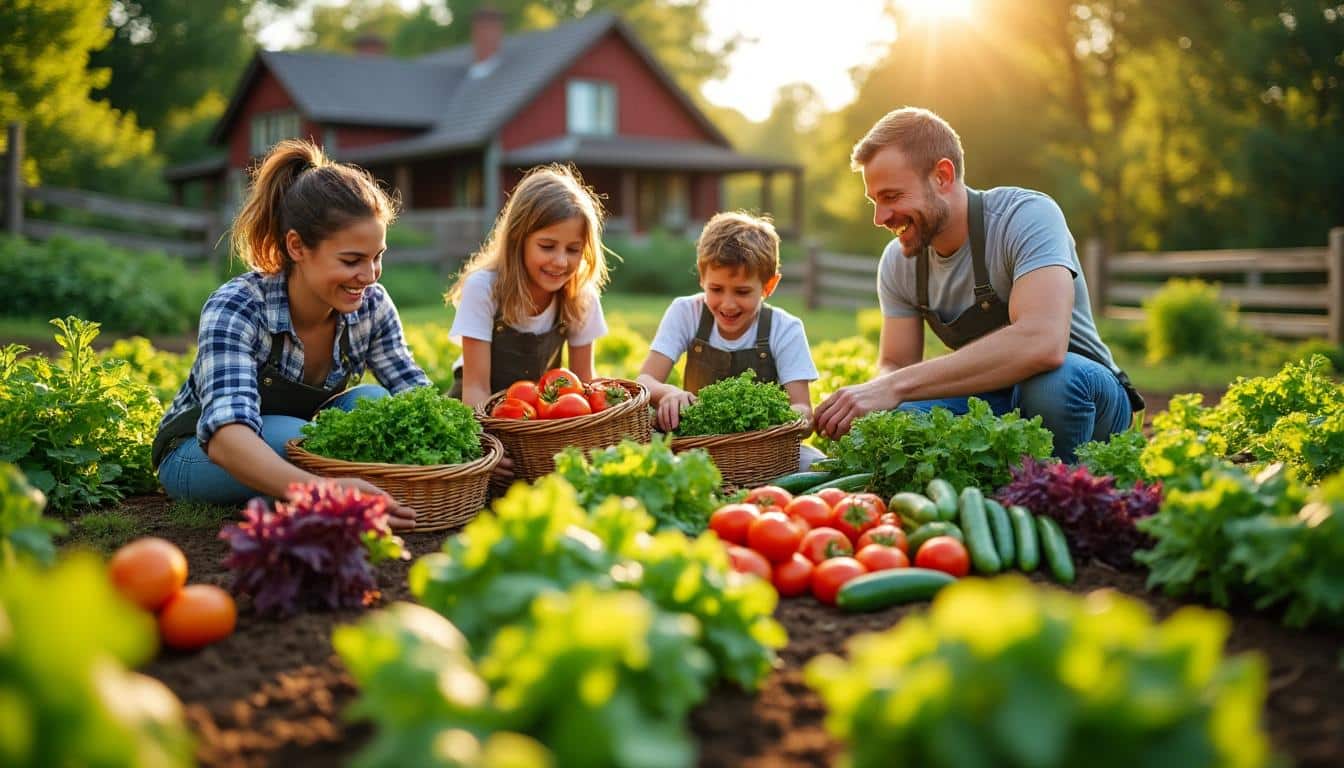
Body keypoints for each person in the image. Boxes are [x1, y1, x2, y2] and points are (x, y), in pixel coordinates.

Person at [813, 107, 1143, 463]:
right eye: (874, 201)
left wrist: (893, 386)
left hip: (1083, 393)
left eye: (892, 197)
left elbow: (1043, 342)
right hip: (989, 398)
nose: (880, 218)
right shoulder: (900, 262)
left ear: (942, 176)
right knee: (896, 423)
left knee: (1053, 386)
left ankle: (1060, 494)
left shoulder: (1026, 216)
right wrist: (874, 396)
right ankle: (995, 491)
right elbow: (895, 361)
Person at [153, 139, 431, 529]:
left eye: (377, 256)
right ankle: (299, 497)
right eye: (352, 260)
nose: (369, 276)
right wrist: (326, 493)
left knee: (376, 402)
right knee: (295, 438)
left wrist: (473, 445)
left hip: (298, 443)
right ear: (297, 246)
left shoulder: (372, 304)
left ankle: (282, 494)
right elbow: (225, 437)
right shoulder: (238, 307)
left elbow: (412, 391)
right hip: (200, 452)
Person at [636, 212, 821, 468]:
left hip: (763, 453)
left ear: (769, 286)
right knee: (640, 449)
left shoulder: (785, 328)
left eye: (742, 292)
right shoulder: (686, 312)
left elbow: (804, 411)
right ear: (702, 278)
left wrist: (768, 422)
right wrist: (668, 393)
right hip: (697, 446)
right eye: (716, 289)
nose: (728, 304)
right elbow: (643, 381)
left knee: (817, 464)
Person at [445, 164, 610, 406]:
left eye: (573, 249)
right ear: (517, 240)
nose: (561, 261)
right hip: (478, 412)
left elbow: (583, 386)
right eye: (547, 246)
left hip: (534, 417)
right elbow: (476, 388)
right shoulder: (483, 288)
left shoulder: (581, 297)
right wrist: (491, 437)